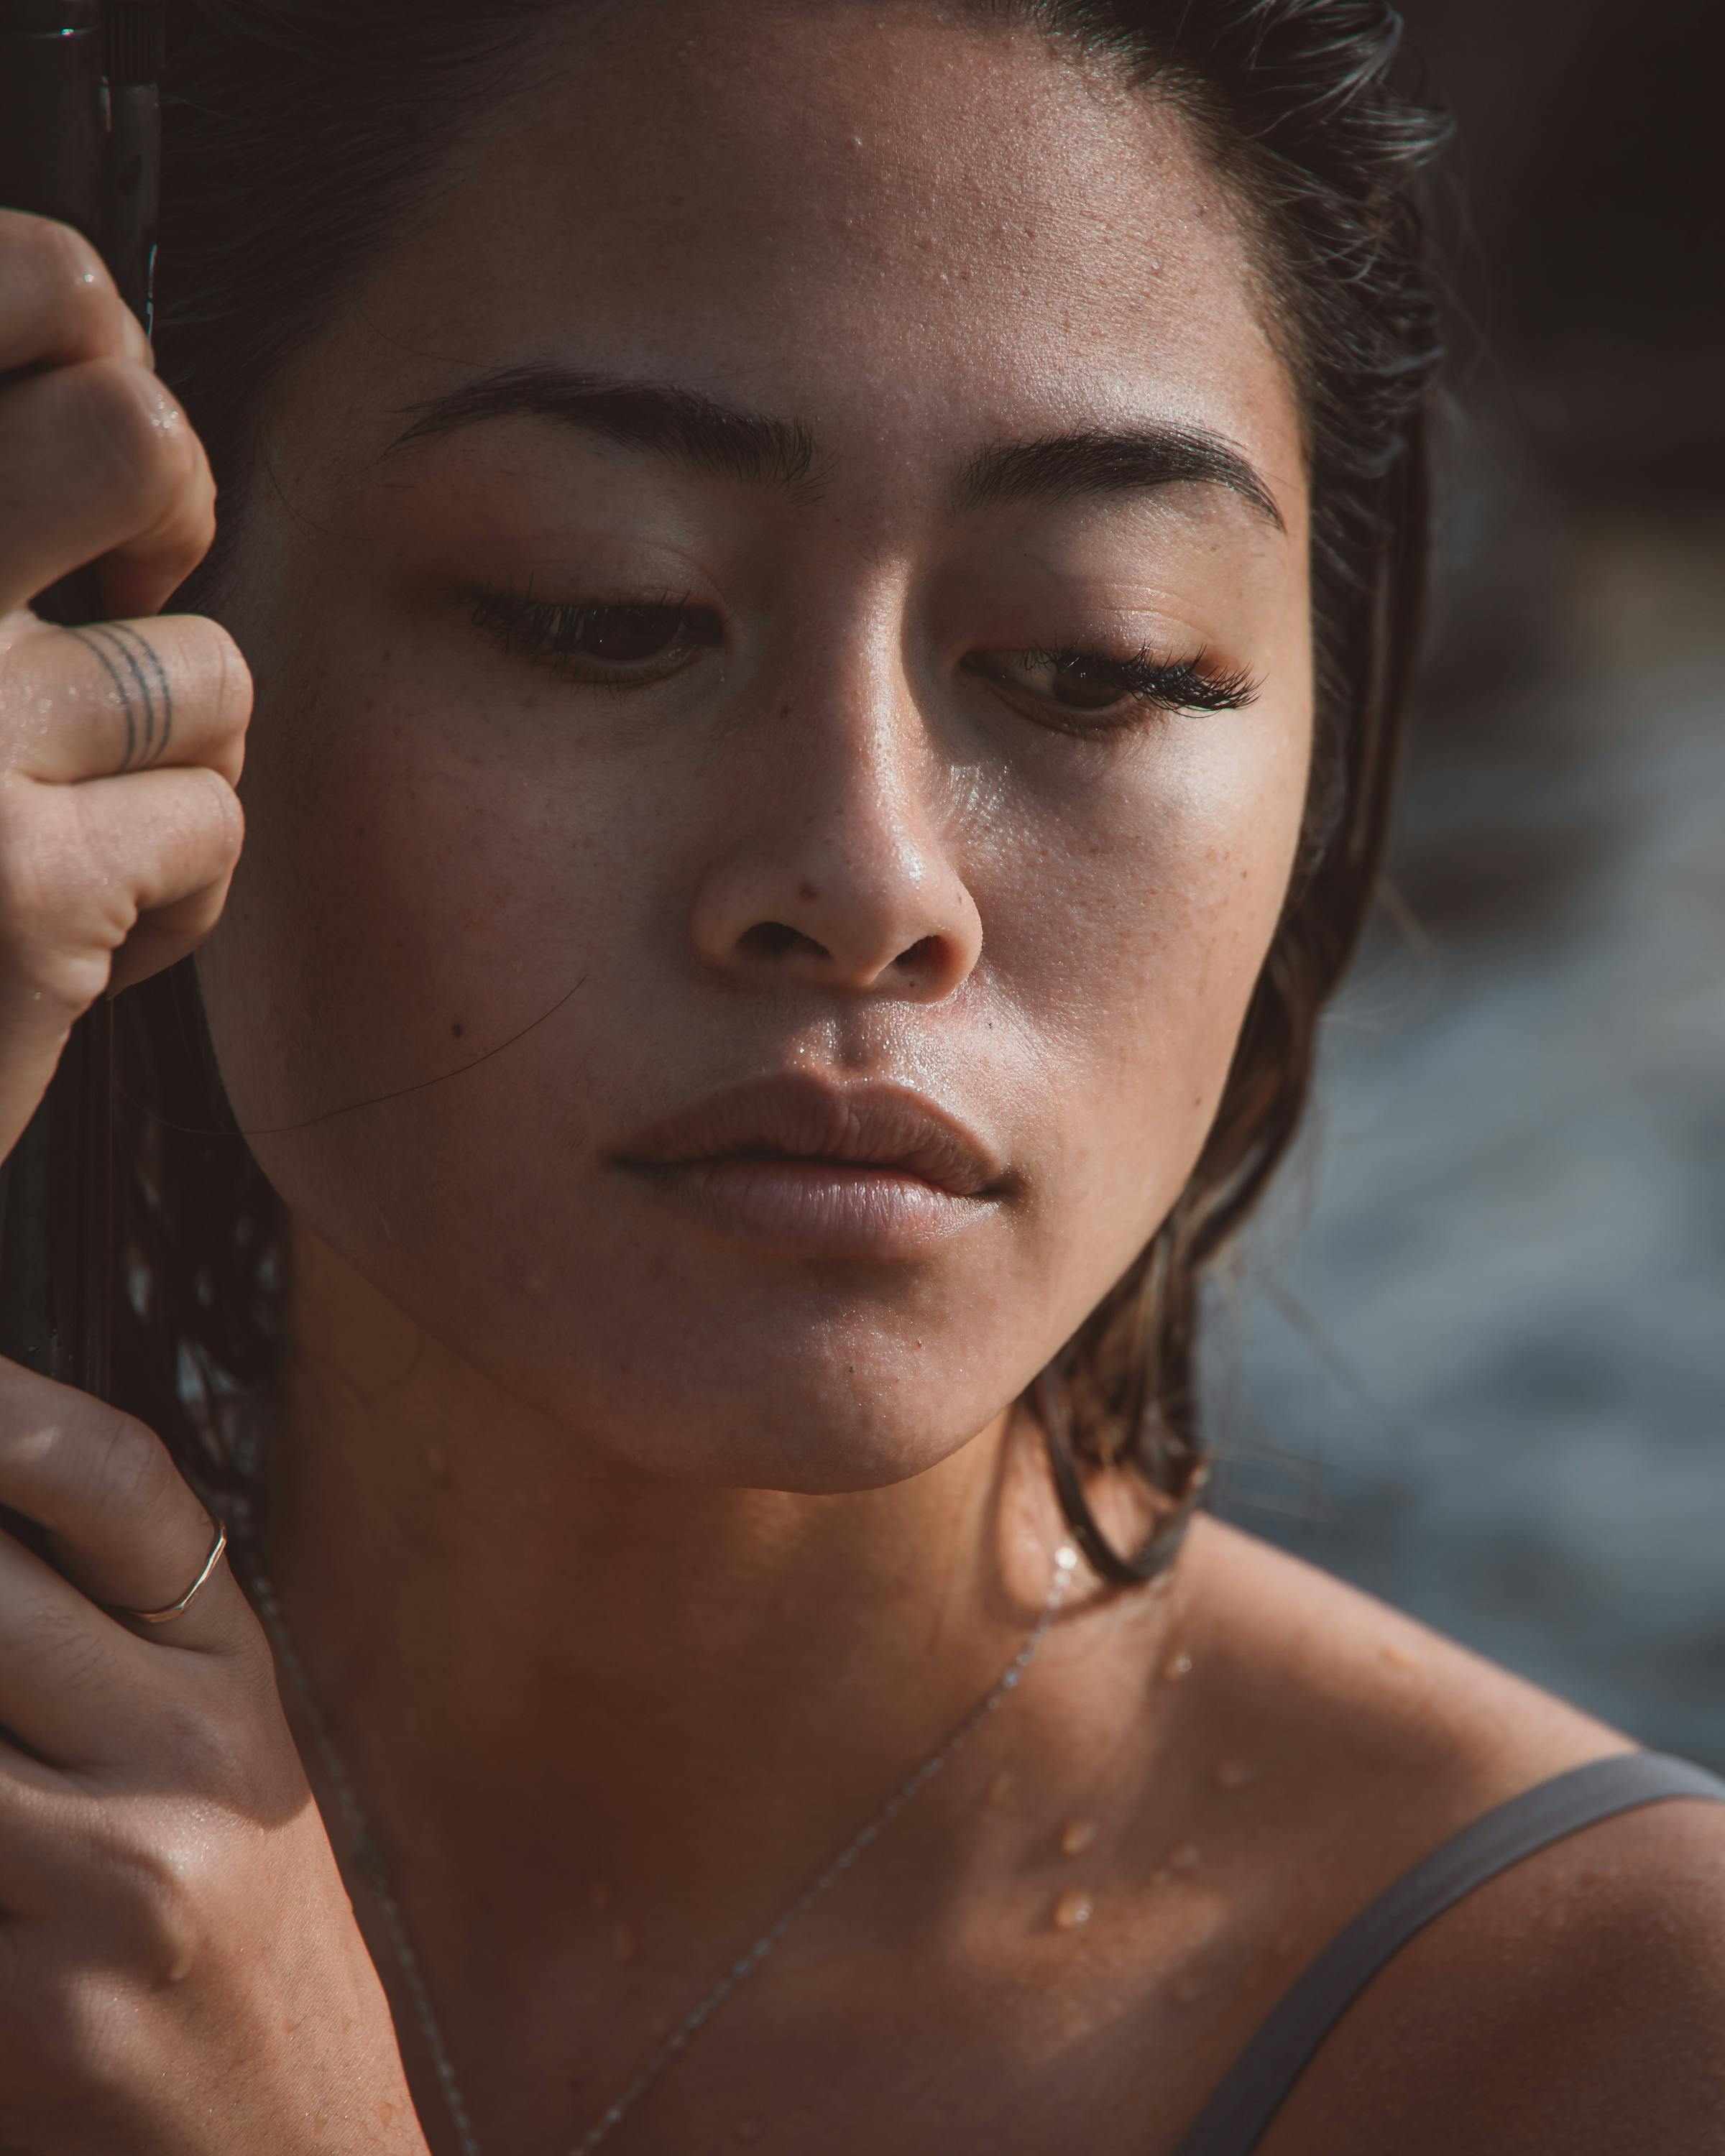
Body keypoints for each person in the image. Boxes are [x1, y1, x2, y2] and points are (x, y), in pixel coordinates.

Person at [0, 2, 1720, 2150]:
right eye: (599, 609)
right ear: (135, 660)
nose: (868, 878)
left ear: (1314, 757)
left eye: (1097, 664)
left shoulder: (1616, 2034)